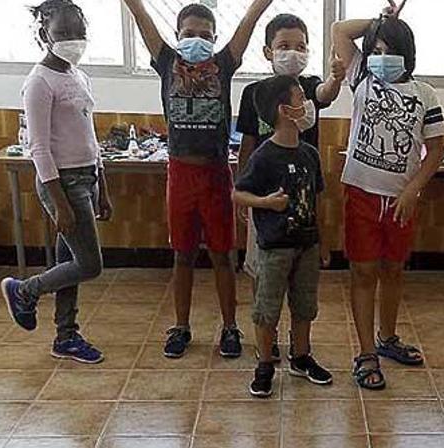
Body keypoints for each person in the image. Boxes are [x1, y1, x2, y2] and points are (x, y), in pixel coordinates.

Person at [122, 0, 272, 359]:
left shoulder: (222, 64)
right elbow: (140, 15)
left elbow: (250, 19)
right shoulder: (166, 62)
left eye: (205, 36)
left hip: (216, 174)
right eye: (189, 35)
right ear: (177, 37)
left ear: (215, 39)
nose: (197, 41)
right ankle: (182, 326)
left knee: (223, 256)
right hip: (180, 174)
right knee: (183, 256)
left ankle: (230, 327)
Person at [331, 0, 444, 389]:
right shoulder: (361, 77)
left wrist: (414, 189)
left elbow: (436, 149)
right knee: (363, 272)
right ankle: (365, 353)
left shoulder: (424, 94)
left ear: (407, 55)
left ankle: (387, 338)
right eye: (375, 51)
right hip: (362, 193)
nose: (381, 59)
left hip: (401, 199)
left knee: (394, 270)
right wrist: (382, 22)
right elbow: (340, 31)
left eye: (389, 52)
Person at [1, 0, 112, 364]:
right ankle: (24, 291)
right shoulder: (38, 82)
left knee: (71, 262)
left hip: (88, 177)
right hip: (62, 184)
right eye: (64, 33)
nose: (73, 41)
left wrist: (103, 186)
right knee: (90, 264)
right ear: (43, 35)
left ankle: (66, 336)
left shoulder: (78, 76)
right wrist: (60, 202)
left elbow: (89, 135)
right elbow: (39, 148)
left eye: (79, 33)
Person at [235, 13, 345, 361]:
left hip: (302, 204)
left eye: (300, 47)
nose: (292, 53)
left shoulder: (309, 86)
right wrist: (244, 195)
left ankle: (301, 353)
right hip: (265, 203)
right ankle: (265, 346)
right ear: (268, 51)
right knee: (262, 271)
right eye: (284, 46)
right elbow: (247, 145)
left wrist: (337, 77)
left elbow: (327, 92)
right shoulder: (254, 93)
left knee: (302, 286)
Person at [234, 75, 333, 397]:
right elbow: (238, 194)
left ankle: (301, 357)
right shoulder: (264, 155)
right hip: (274, 248)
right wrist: (264, 203)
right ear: (284, 110)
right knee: (267, 308)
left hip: (306, 244)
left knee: (305, 305)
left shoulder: (310, 154)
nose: (306, 103)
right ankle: (264, 364)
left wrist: (324, 240)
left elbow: (318, 199)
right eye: (300, 97)